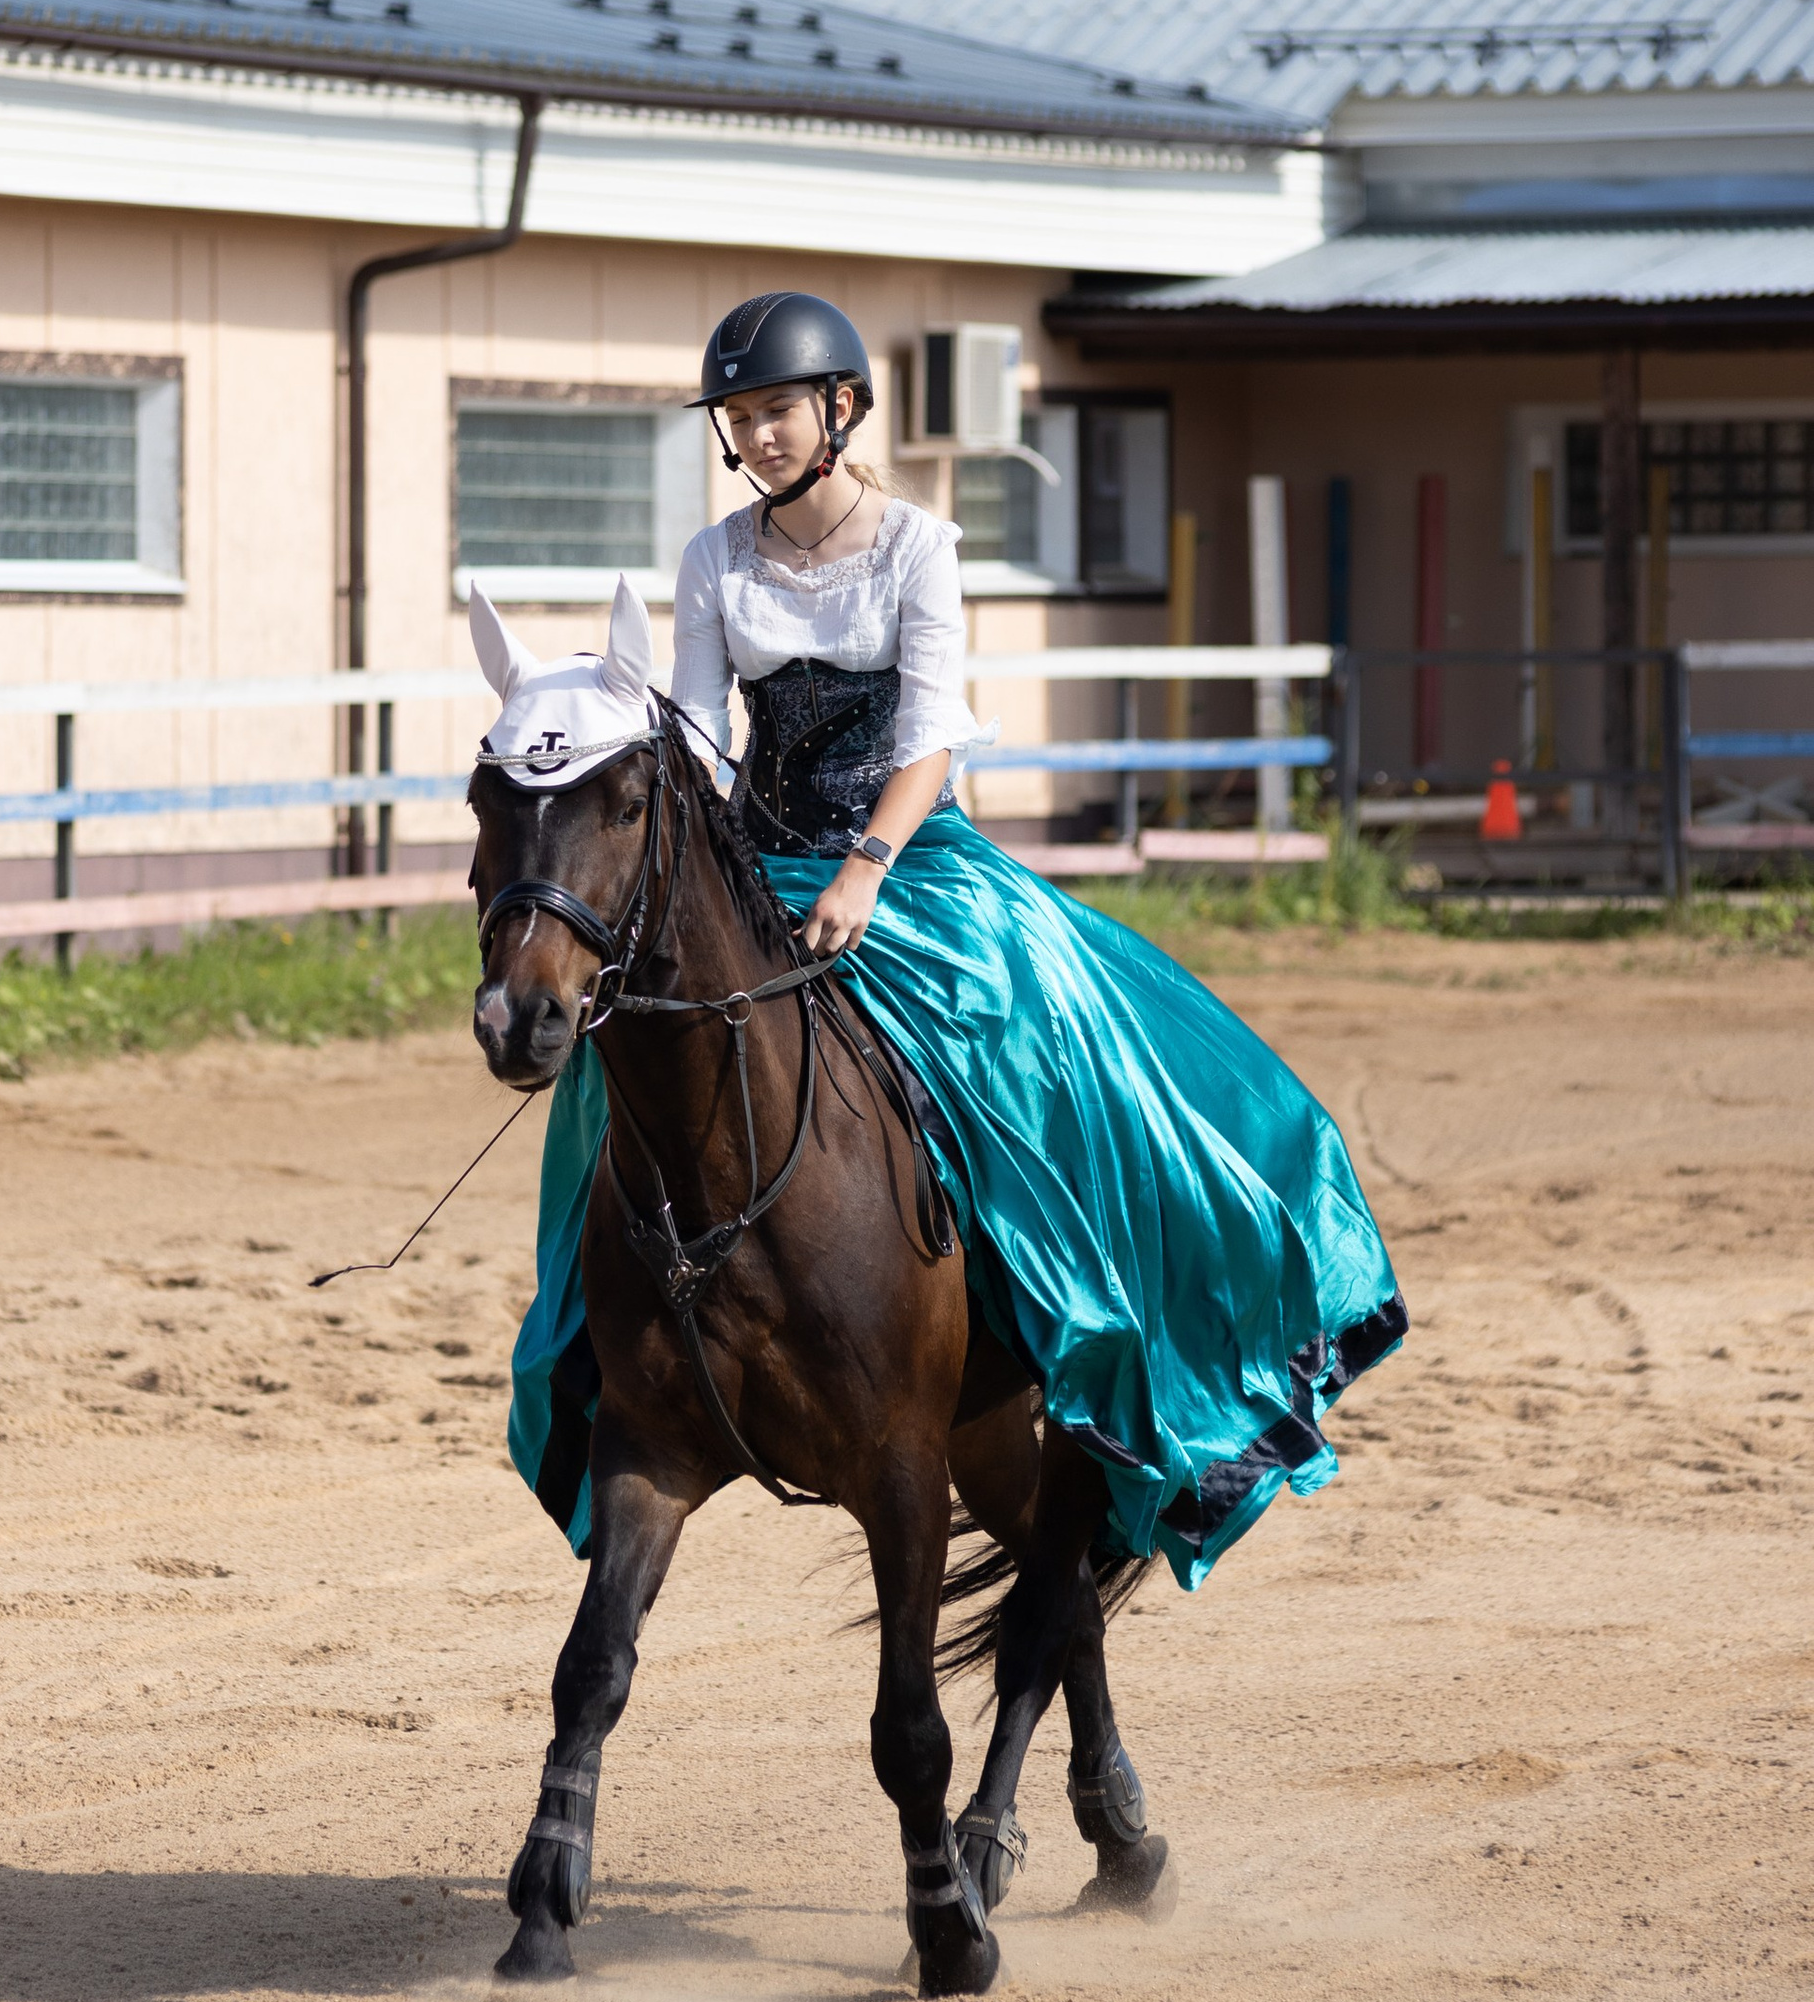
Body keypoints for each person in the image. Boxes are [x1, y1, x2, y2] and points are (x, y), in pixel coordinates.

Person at [504, 288, 1405, 1579]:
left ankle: (1066, 1317)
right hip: (760, 863)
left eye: (776, 410)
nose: (756, 435)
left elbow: (929, 736)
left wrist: (868, 866)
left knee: (1032, 1032)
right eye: (739, 416)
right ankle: (592, 1341)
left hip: (911, 858)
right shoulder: (714, 561)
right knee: (618, 1053)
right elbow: (699, 739)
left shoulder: (918, 546)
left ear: (840, 410)